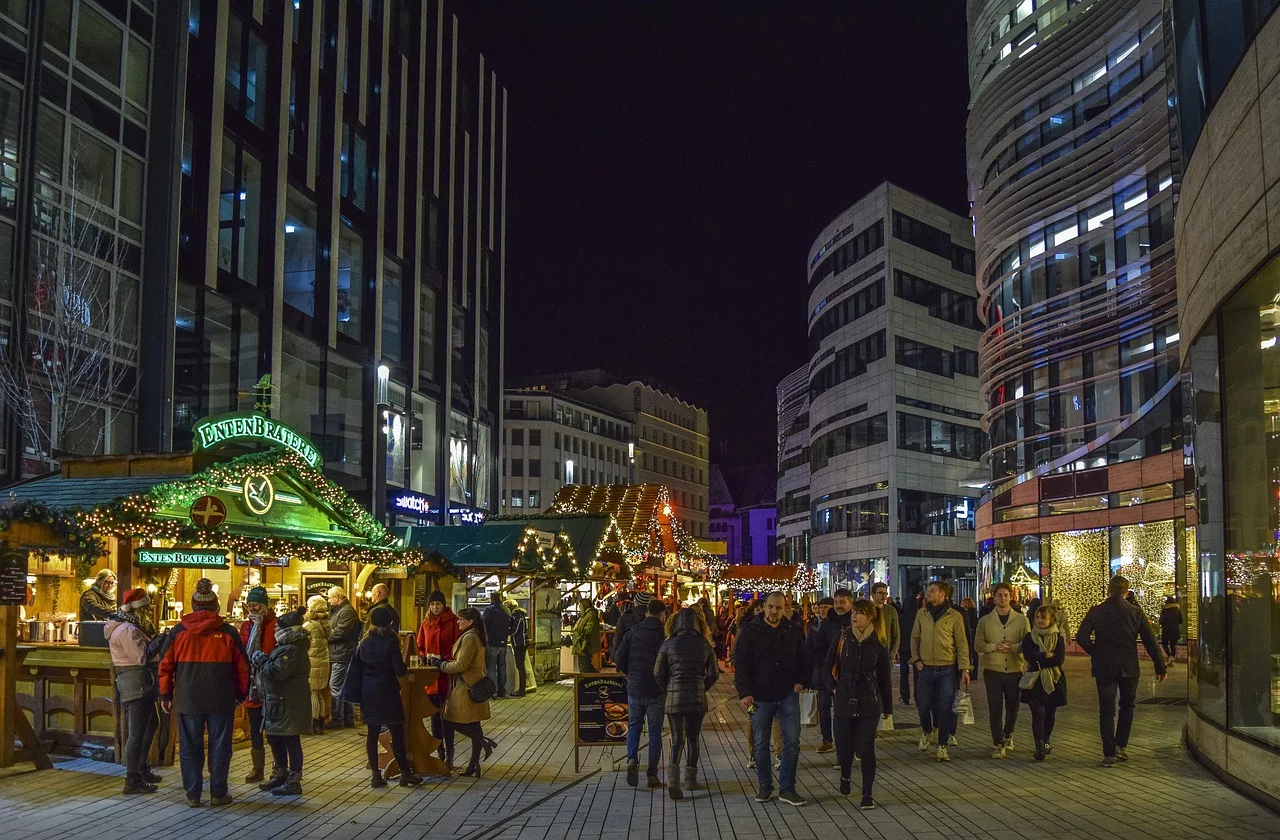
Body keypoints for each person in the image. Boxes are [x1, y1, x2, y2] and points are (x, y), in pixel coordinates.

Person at [158, 578, 249, 808]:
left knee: (190, 747)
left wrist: (165, 694)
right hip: (221, 697)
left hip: (189, 697)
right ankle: (218, 793)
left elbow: (165, 665)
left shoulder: (179, 632)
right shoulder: (228, 632)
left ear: (194, 605)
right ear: (215, 605)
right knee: (220, 746)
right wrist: (241, 694)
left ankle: (193, 794)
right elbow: (242, 667)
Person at [1075, 574, 1167, 767]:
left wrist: (1096, 652)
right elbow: (1150, 641)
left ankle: (1108, 753)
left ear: (1109, 590)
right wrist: (1160, 666)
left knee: (1106, 711)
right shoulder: (1135, 612)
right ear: (1126, 591)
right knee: (1127, 706)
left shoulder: (1096, 611)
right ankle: (1120, 746)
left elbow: (1081, 637)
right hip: (1129, 666)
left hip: (1104, 667)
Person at [734, 590, 809, 807]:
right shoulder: (750, 631)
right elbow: (741, 663)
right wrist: (744, 692)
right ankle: (765, 785)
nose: (774, 611)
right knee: (760, 743)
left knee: (792, 742)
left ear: (785, 609)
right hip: (759, 696)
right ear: (764, 607)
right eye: (770, 607)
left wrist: (801, 681)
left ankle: (787, 788)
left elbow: (804, 658)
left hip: (787, 693)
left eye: (778, 608)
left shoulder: (793, 630)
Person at [342, 606, 424, 788]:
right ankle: (405, 773)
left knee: (372, 734)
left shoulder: (364, 642)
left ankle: (376, 776)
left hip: (369, 692)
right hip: (388, 691)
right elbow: (399, 669)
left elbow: (357, 669)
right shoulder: (391, 641)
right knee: (396, 732)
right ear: (390, 623)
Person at [823, 599, 892, 810]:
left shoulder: (878, 643)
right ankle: (845, 775)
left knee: (866, 747)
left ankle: (867, 793)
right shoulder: (843, 637)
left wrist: (887, 708)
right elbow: (827, 664)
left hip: (868, 702)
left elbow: (884, 677)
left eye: (860, 613)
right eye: (854, 612)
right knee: (844, 746)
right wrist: (833, 688)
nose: (854, 616)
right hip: (844, 699)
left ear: (870, 617)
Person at [655, 604, 718, 801]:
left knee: (677, 739)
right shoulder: (704, 644)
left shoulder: (668, 644)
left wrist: (668, 688)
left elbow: (657, 673)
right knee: (693, 737)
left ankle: (673, 781)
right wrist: (702, 687)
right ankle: (691, 780)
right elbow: (714, 674)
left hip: (674, 696)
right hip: (696, 697)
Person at [105, 588, 162, 794]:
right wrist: (159, 642)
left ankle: (141, 767)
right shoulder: (127, 630)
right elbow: (141, 657)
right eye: (145, 608)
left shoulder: (130, 626)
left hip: (138, 680)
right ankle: (133, 778)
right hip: (135, 680)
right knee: (136, 731)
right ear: (136, 609)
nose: (148, 612)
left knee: (151, 723)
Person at [910, 580, 970, 762]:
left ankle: (942, 745)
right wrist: (916, 659)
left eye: (932, 590)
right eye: (928, 590)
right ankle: (927, 730)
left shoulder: (955, 616)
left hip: (947, 668)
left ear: (943, 594)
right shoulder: (922, 613)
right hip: (926, 667)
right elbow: (915, 637)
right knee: (923, 704)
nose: (928, 593)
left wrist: (965, 668)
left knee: (945, 708)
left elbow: (961, 643)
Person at [254, 607, 311, 797]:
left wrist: (262, 661)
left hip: (287, 703)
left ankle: (293, 780)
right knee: (275, 738)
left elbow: (277, 672)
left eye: (278, 627)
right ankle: (280, 773)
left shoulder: (292, 649)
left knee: (290, 740)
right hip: (278, 702)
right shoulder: (287, 646)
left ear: (287, 630)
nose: (274, 629)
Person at [614, 597, 668, 789]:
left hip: (635, 687)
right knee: (655, 733)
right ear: (662, 615)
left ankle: (631, 759)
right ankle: (652, 774)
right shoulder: (665, 635)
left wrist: (629, 673)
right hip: (657, 690)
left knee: (634, 726)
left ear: (646, 613)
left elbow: (618, 657)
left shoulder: (632, 633)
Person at [974, 582, 1030, 758]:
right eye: (999, 595)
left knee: (1013, 706)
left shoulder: (1021, 620)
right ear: (994, 597)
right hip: (993, 669)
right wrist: (994, 646)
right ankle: (998, 743)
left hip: (1014, 669)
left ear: (1011, 597)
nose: (1003, 598)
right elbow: (978, 645)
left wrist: (1013, 647)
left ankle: (1008, 733)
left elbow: (1028, 644)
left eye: (1006, 595)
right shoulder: (985, 621)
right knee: (995, 707)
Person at [439, 606, 495, 778]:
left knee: (448, 720)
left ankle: (483, 742)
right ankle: (474, 764)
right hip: (474, 684)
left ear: (470, 622)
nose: (458, 622)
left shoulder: (470, 637)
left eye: (461, 619)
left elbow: (460, 665)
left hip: (466, 687)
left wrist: (441, 665)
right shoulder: (474, 635)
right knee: (474, 724)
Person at [416, 589, 461, 767]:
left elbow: (457, 646)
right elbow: (420, 644)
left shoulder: (453, 622)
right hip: (431, 676)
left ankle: (450, 753)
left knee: (447, 716)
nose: (435, 607)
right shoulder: (426, 623)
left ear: (444, 605)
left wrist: (445, 659)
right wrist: (423, 657)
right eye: (432, 604)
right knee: (435, 717)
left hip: (447, 674)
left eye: (438, 604)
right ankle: (440, 752)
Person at [238, 586, 277, 782]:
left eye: (256, 605)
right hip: (253, 685)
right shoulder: (246, 627)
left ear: (265, 606)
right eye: (250, 605)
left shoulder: (275, 625)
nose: (253, 609)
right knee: (255, 729)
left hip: (272, 684)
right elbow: (243, 651)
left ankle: (279, 768)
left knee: (274, 730)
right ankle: (258, 768)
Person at [1022, 604, 1067, 761]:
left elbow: (1059, 659)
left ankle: (1046, 740)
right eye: (1037, 617)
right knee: (1038, 713)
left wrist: (1039, 657)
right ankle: (1039, 746)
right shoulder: (1029, 637)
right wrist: (1045, 655)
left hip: (1053, 680)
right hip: (1034, 680)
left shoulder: (1058, 638)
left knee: (1049, 713)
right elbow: (1028, 655)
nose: (1040, 620)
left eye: (1043, 618)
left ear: (1051, 620)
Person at [812, 589, 853, 754]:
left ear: (850, 603)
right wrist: (824, 668)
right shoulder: (827, 623)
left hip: (844, 675)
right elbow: (818, 648)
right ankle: (827, 740)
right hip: (825, 673)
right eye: (836, 602)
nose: (838, 606)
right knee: (824, 708)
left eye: (842, 602)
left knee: (840, 712)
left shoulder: (853, 621)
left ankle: (844, 746)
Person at [327, 587, 360, 729]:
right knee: (343, 686)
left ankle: (337, 719)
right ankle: (348, 718)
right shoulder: (340, 610)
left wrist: (324, 636)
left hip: (342, 653)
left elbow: (339, 632)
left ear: (336, 598)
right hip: (339, 653)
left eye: (330, 598)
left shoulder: (347, 611)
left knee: (336, 686)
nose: (328, 601)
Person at [303, 595, 331, 734]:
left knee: (313, 692)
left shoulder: (309, 625)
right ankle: (321, 723)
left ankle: (314, 724)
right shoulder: (327, 624)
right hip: (324, 662)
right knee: (319, 692)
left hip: (312, 662)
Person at [482, 592, 513, 698]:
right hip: (503, 642)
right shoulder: (506, 610)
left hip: (492, 642)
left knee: (491, 667)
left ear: (491, 598)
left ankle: (493, 691)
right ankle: (502, 691)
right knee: (502, 667)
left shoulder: (489, 610)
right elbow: (510, 625)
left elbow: (484, 624)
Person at [870, 583, 901, 665]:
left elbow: (896, 634)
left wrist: (892, 654)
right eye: (880, 593)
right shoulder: (868, 609)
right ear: (873, 595)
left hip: (886, 652)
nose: (884, 596)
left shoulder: (891, 610)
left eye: (885, 593)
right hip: (869, 652)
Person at [572, 598, 602, 673]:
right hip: (583, 645)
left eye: (580, 605)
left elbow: (589, 629)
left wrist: (578, 630)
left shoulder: (590, 615)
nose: (579, 607)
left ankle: (588, 679)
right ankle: (595, 678)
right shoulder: (586, 615)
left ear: (584, 605)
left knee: (584, 667)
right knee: (586, 665)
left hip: (585, 645)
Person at [899, 592, 918, 704]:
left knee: (904, 674)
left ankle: (905, 696)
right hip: (916, 649)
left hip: (904, 648)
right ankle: (918, 696)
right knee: (917, 674)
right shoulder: (918, 616)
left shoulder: (902, 617)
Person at [509, 601, 529, 697]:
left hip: (519, 643)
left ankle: (521, 690)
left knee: (520, 666)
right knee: (521, 666)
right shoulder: (521, 616)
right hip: (522, 643)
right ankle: (522, 689)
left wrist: (506, 632)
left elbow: (515, 630)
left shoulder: (517, 617)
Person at [1159, 596, 1183, 662]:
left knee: (1164, 644)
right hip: (1175, 629)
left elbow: (1161, 620)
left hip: (1166, 629)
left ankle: (1169, 656)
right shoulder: (1177, 609)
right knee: (1173, 644)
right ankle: (1172, 657)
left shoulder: (1164, 609)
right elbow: (1181, 621)